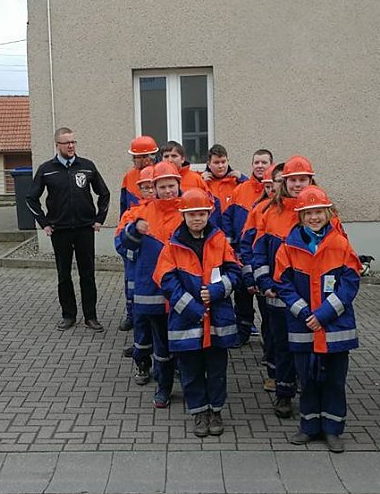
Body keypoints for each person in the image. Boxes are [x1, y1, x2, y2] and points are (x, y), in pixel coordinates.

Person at [274, 186, 362, 453]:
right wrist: (304, 313)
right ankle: (309, 427)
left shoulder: (340, 243)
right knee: (307, 378)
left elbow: (350, 283)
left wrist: (323, 315)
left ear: (328, 213)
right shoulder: (288, 246)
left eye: (319, 212)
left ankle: (333, 429)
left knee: (335, 380)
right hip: (303, 328)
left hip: (335, 328)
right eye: (308, 213)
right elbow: (282, 283)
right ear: (300, 216)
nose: (314, 217)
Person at [155, 189, 240, 437]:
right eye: (192, 214)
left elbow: (234, 272)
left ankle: (216, 411)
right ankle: (199, 413)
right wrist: (191, 308)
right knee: (191, 371)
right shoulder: (173, 244)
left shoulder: (220, 239)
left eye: (201, 214)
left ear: (209, 213)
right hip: (187, 321)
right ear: (183, 215)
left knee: (216, 370)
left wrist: (216, 291)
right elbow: (165, 279)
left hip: (217, 321)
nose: (197, 219)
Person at [26, 127, 110, 332]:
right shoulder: (47, 169)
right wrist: (44, 223)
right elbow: (31, 198)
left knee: (87, 274)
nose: (71, 146)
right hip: (60, 230)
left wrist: (99, 219)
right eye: (66, 143)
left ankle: (91, 316)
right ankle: (68, 316)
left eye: (73, 142)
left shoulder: (87, 166)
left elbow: (104, 194)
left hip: (84, 229)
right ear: (57, 145)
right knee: (64, 275)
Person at [117, 161, 184, 408]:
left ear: (179, 185)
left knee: (186, 344)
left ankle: (189, 386)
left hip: (182, 291)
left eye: (171, 185)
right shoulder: (140, 213)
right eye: (162, 186)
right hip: (154, 293)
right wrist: (134, 231)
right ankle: (163, 388)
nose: (168, 191)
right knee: (162, 346)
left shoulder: (190, 210)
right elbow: (122, 247)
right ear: (154, 188)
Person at [253, 156, 315, 418]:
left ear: (311, 180)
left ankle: (310, 395)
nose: (298, 184)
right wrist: (264, 282)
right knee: (282, 346)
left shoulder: (321, 211)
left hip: (310, 296)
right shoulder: (270, 212)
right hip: (278, 295)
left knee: (309, 347)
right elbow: (258, 252)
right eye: (293, 180)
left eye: (303, 179)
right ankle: (284, 394)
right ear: (284, 183)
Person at [223, 149, 274, 345]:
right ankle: (242, 332)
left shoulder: (275, 191)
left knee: (265, 301)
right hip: (242, 253)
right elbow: (227, 217)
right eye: (256, 162)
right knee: (243, 297)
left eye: (264, 162)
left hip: (265, 257)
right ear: (252, 165)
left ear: (271, 164)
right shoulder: (240, 190)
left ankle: (269, 341)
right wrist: (231, 241)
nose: (260, 166)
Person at [241, 164, 282, 390]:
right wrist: (252, 278)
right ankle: (274, 373)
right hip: (267, 282)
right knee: (271, 328)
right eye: (267, 185)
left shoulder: (303, 209)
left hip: (292, 285)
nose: (272, 189)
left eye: (273, 184)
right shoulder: (259, 210)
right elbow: (248, 246)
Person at [117, 136, 158, 332]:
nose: (134, 161)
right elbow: (123, 206)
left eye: (137, 157)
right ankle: (131, 314)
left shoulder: (161, 172)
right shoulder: (129, 177)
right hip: (133, 228)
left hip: (152, 231)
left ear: (148, 156)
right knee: (130, 279)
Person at [116, 165, 155, 362]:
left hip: (160, 280)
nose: (150, 191)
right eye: (145, 187)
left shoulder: (170, 212)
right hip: (138, 276)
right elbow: (119, 243)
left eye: (152, 186)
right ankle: (142, 363)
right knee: (141, 322)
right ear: (139, 190)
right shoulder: (131, 214)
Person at [202, 144, 246, 212]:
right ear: (209, 164)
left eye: (223, 162)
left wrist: (243, 179)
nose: (220, 166)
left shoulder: (237, 180)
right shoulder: (202, 181)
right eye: (216, 163)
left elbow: (252, 192)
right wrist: (200, 183)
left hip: (230, 222)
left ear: (227, 161)